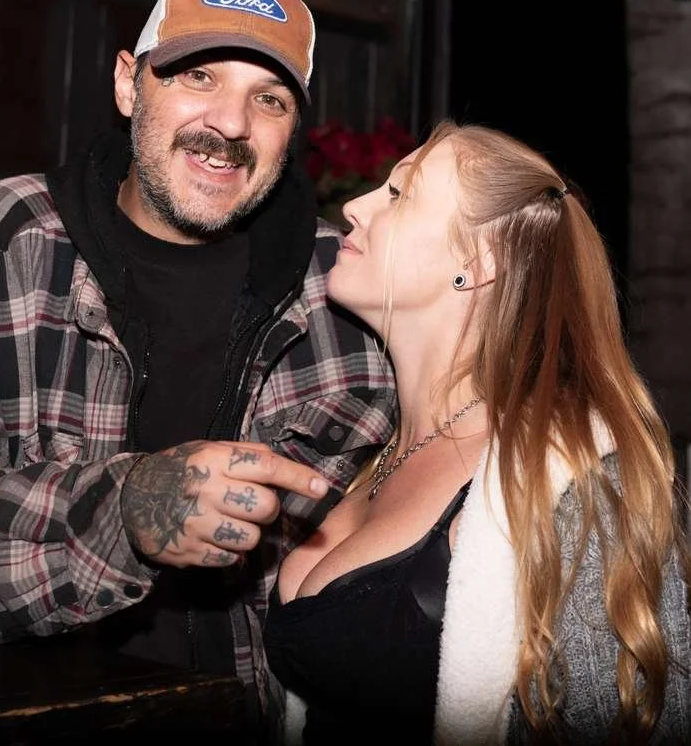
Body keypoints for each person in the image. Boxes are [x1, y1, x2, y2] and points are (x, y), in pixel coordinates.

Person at [0, 0, 397, 738]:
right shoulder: (1, 248)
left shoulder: (352, 291)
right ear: (128, 84)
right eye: (198, 76)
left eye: (270, 99)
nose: (230, 123)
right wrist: (125, 511)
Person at [264, 119, 691, 744]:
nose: (354, 206)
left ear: (478, 261)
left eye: (398, 194)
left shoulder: (569, 476)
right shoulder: (375, 448)